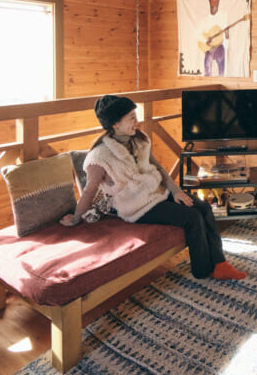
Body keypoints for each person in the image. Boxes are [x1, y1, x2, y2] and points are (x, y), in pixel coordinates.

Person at [59, 94, 246, 281]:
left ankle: (220, 264)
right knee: (192, 217)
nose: (137, 121)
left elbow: (158, 168)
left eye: (136, 116)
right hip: (136, 206)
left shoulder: (140, 140)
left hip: (157, 192)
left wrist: (176, 191)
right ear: (115, 123)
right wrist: (76, 218)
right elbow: (89, 191)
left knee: (203, 207)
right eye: (132, 117)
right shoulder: (99, 157)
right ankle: (202, 271)